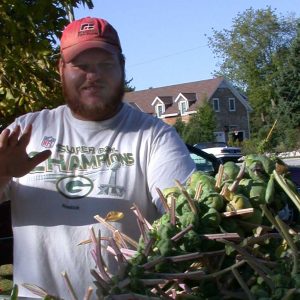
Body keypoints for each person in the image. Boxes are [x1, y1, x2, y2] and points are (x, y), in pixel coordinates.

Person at [0, 17, 195, 299]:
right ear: (61, 70)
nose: (94, 76)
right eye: (81, 66)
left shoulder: (153, 136)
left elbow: (186, 213)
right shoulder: (26, 131)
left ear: (122, 67)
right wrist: (3, 173)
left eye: (105, 65)